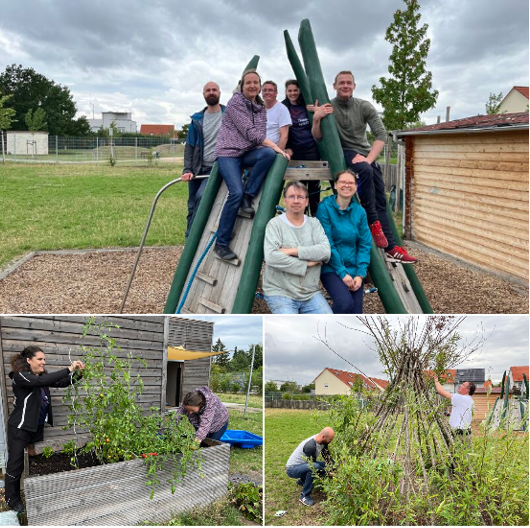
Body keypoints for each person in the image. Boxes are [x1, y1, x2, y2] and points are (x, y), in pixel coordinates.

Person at [312, 70, 417, 264]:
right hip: (341, 152)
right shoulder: (329, 107)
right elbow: (318, 137)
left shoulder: (364, 106)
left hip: (363, 154)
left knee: (380, 198)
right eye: (341, 83)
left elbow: (381, 135)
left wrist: (369, 159)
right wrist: (317, 117)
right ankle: (372, 222)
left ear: (354, 86)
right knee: (366, 172)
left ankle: (391, 247)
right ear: (334, 86)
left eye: (349, 83)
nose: (345, 86)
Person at [214, 70, 291, 261]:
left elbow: (259, 134)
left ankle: (249, 196)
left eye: (256, 83)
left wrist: (271, 150)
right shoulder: (235, 103)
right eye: (248, 83)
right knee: (235, 193)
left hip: (247, 152)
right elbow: (250, 132)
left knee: (266, 154)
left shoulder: (260, 106)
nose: (252, 86)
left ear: (259, 85)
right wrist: (277, 147)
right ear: (242, 85)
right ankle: (221, 244)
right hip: (229, 153)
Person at [5, 346, 85, 514]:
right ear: (29, 360)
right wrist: (68, 368)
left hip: (35, 427)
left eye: (44, 359)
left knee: (33, 460)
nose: (44, 362)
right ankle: (12, 499)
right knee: (15, 464)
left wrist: (78, 374)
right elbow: (38, 382)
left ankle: (33, 489)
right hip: (20, 428)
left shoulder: (40, 377)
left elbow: (62, 382)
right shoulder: (21, 377)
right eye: (40, 359)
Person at [263, 181, 332, 314]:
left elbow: (325, 251)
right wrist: (307, 264)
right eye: (292, 197)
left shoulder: (314, 223)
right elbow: (272, 257)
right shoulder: (275, 224)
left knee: (327, 327)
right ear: (285, 201)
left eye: (300, 197)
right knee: (290, 329)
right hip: (280, 291)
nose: (296, 201)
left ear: (306, 201)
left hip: (310, 292)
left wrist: (293, 251)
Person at [316, 169, 372, 313]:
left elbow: (364, 244)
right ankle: (327, 333)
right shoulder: (325, 208)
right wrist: (342, 273)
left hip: (353, 267)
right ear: (335, 185)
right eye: (342, 182)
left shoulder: (360, 212)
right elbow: (327, 242)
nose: (346, 185)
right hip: (331, 267)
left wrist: (360, 275)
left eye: (350, 183)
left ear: (355, 186)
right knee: (344, 303)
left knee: (356, 312)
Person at [182, 81, 225, 237]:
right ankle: (189, 240)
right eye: (208, 90)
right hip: (198, 167)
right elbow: (190, 146)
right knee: (192, 204)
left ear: (219, 93)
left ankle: (196, 237)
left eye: (214, 90)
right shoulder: (197, 119)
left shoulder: (227, 115)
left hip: (215, 168)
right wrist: (187, 169)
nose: (211, 92)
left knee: (202, 196)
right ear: (204, 95)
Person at [282, 79, 321, 217]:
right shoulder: (283, 107)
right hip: (296, 150)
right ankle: (300, 215)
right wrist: (287, 147)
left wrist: (316, 111)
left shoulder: (307, 105)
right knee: (299, 184)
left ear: (300, 91)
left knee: (314, 183)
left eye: (295, 90)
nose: (293, 93)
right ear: (286, 92)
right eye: (290, 91)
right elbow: (281, 130)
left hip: (311, 148)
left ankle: (315, 214)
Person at [285, 427, 335, 507]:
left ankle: (302, 481)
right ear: (323, 437)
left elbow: (327, 456)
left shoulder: (323, 442)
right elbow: (315, 467)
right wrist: (328, 473)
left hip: (305, 464)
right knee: (315, 468)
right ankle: (304, 496)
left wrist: (334, 467)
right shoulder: (310, 446)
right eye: (330, 439)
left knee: (323, 465)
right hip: (292, 469)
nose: (331, 441)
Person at [262, 80, 291, 150]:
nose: (267, 92)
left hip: (271, 150)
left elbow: (284, 136)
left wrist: (279, 154)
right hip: (256, 148)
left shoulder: (282, 109)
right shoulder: (258, 108)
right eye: (264, 90)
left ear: (276, 93)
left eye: (270, 90)